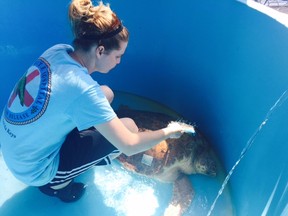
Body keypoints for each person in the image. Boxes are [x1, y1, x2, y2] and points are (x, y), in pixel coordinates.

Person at [0, 0, 187, 203]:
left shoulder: (58, 51)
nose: (119, 61)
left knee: (107, 93)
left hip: (13, 147)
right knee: (130, 128)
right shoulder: (83, 90)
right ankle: (56, 187)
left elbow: (80, 94)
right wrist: (168, 131)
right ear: (100, 51)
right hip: (35, 170)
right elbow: (130, 145)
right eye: (118, 55)